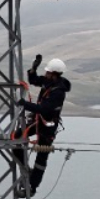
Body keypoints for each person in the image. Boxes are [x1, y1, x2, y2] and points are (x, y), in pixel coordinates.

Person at [17, 54, 70, 191]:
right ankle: (25, 168)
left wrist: (25, 104)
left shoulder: (58, 92)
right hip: (39, 121)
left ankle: (33, 185)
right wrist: (33, 69)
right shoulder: (49, 83)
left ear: (54, 74)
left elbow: (44, 109)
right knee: (16, 137)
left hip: (47, 126)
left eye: (48, 72)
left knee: (41, 156)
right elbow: (34, 80)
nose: (45, 74)